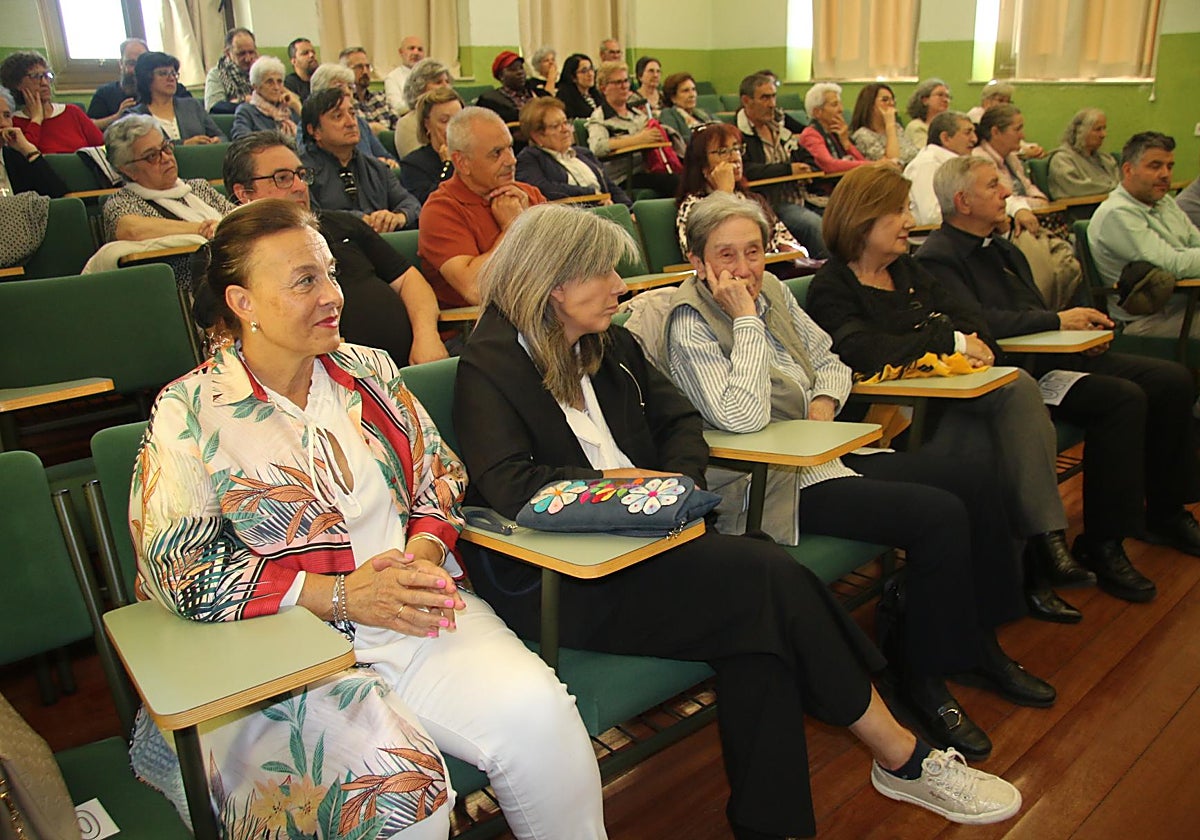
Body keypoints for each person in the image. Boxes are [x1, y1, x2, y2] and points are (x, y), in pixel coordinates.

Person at [452, 201, 1024, 839]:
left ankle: (774, 826)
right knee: (767, 578)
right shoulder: (492, 363)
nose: (621, 288)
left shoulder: (609, 343)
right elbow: (512, 488)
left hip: (659, 541)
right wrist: (629, 491)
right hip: (568, 576)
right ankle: (901, 755)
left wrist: (675, 487)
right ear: (550, 284)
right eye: (604, 275)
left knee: (758, 633)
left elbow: (679, 424)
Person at [131, 196, 606, 839]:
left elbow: (440, 479)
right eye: (306, 281)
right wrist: (341, 596)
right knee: (402, 798)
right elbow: (178, 570)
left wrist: (423, 557)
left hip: (413, 610)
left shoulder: (370, 370)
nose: (333, 294)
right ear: (242, 303)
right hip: (285, 653)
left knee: (543, 721)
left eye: (330, 272)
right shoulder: (190, 411)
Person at [651, 189, 1054, 758]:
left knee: (976, 482)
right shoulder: (689, 321)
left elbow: (832, 361)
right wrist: (743, 322)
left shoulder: (773, 295)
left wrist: (821, 404)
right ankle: (922, 677)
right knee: (937, 516)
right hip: (767, 484)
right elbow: (737, 417)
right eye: (725, 255)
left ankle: (975, 645)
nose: (743, 269)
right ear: (696, 262)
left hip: (824, 451)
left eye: (754, 252)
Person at [805, 165, 1100, 622]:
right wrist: (939, 336)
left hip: (946, 408)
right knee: (998, 443)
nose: (910, 221)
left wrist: (929, 338)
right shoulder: (833, 286)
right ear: (863, 220)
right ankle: (1035, 562)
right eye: (898, 212)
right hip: (892, 425)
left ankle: (1025, 569)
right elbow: (861, 351)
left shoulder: (908, 269)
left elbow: (977, 325)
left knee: (1013, 399)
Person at [917, 156, 1200, 574]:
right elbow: (979, 324)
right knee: (1121, 398)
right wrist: (1056, 323)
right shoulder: (937, 259)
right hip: (1023, 374)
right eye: (994, 185)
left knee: (1173, 380)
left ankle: (1165, 510)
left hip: (1054, 356)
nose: (1006, 193)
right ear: (962, 200)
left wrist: (1072, 334)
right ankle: (1104, 540)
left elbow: (1030, 309)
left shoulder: (1003, 248)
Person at [226, 131, 448, 366]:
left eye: (302, 175)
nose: (300, 186)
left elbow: (408, 280)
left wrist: (426, 336)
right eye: (282, 178)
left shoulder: (343, 223)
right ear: (244, 193)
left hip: (407, 365)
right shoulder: (232, 256)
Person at [418, 107, 545, 308]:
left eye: (510, 148)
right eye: (496, 153)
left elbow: (564, 261)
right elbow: (476, 290)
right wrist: (513, 228)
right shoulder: (440, 210)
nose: (511, 160)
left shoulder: (527, 193)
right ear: (462, 162)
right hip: (478, 329)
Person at [1089, 131, 1200, 339]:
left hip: (1186, 306)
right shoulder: (1117, 213)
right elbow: (1174, 264)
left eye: (1170, 166)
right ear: (1129, 170)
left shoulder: (1164, 202)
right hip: (1147, 320)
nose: (1165, 174)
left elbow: (1196, 243)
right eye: (1155, 166)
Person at [674, 123, 805, 258]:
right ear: (702, 165)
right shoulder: (693, 206)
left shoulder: (752, 199)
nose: (735, 158)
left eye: (736, 149)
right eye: (723, 151)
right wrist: (724, 194)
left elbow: (786, 240)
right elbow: (700, 255)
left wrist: (790, 250)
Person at [299, 89, 420, 232]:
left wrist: (398, 217)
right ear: (314, 131)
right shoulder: (300, 172)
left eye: (352, 114)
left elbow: (412, 204)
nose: (351, 123)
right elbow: (309, 216)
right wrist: (359, 219)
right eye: (338, 116)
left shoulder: (377, 167)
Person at [101, 114, 233, 243]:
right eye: (152, 156)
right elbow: (131, 230)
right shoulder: (121, 202)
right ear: (128, 170)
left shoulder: (198, 187)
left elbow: (239, 217)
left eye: (165, 147)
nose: (166, 158)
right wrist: (204, 229)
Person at [736, 72, 826, 258]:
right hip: (770, 203)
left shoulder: (781, 125)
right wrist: (788, 169)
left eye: (773, 96)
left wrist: (806, 168)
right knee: (815, 226)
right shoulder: (737, 133)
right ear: (746, 101)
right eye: (765, 98)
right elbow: (746, 170)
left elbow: (809, 159)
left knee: (844, 218)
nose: (772, 104)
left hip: (803, 196)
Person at [515, 97, 630, 207]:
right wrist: (592, 194)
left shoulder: (584, 154)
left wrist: (630, 210)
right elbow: (543, 189)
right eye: (556, 126)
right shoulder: (530, 159)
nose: (565, 129)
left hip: (608, 210)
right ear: (537, 136)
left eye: (565, 123)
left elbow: (611, 187)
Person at [586, 61, 679, 197]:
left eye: (626, 81)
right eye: (618, 82)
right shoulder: (600, 117)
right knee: (674, 182)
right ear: (604, 88)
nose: (624, 86)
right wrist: (637, 140)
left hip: (648, 169)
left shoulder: (637, 114)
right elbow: (597, 147)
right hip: (623, 176)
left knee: (688, 178)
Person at [0, 51, 104, 153]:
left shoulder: (72, 112)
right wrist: (36, 119)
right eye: (36, 76)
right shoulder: (13, 122)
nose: (44, 83)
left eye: (47, 76)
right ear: (17, 84)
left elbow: (103, 147)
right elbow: (25, 158)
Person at [90, 38, 193, 131]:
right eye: (131, 64)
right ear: (121, 64)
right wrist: (117, 117)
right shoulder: (105, 93)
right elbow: (87, 126)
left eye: (142, 64)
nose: (137, 70)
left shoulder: (173, 88)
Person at [307, 63, 398, 168]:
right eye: (339, 86)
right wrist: (372, 165)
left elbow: (386, 156)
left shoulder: (360, 122)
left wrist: (390, 163)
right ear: (320, 92)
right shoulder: (310, 126)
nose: (347, 92)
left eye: (350, 87)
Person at [131, 52, 224, 145]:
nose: (171, 78)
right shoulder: (135, 116)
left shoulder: (192, 105)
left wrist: (216, 141)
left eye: (173, 73)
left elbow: (222, 137)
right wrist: (184, 144)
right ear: (146, 78)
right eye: (163, 73)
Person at [904, 110, 977, 225]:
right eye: (967, 133)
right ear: (946, 138)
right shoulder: (927, 164)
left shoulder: (960, 164)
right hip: (930, 239)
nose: (974, 139)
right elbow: (931, 217)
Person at [973, 105, 1050, 214]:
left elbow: (1030, 189)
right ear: (995, 132)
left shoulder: (1011, 157)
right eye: (1017, 129)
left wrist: (1039, 201)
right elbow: (1003, 200)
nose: (1022, 136)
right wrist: (1037, 203)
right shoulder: (980, 161)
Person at [399, 87, 464, 204]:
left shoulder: (476, 154)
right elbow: (436, 203)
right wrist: (448, 165)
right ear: (427, 125)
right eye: (445, 121)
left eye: (459, 119)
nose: (454, 126)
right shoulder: (413, 165)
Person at [799, 82, 871, 179]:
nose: (841, 109)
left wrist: (846, 144)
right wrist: (872, 165)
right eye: (834, 105)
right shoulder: (811, 135)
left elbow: (861, 160)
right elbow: (829, 165)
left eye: (840, 104)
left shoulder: (837, 132)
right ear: (817, 112)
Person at [0, 94, 67, 197]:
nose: (3, 123)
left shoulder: (15, 157)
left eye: (7, 116)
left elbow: (59, 195)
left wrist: (28, 149)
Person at [1047, 108, 1120, 199]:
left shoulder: (1106, 159)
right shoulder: (1063, 160)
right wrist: (1113, 188)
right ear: (1081, 132)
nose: (1103, 135)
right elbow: (1076, 188)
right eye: (1098, 129)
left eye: (1104, 128)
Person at [968, 81, 1044, 159]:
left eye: (1008, 101)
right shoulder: (976, 116)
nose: (1005, 105)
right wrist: (1024, 152)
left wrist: (1032, 148)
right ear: (986, 101)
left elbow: (1017, 142)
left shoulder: (1005, 119)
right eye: (1000, 100)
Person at [231, 55, 301, 140]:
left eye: (279, 82)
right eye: (269, 82)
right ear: (256, 86)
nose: (276, 87)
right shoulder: (247, 111)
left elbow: (312, 138)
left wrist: (297, 106)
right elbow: (241, 140)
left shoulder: (290, 110)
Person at [851, 83, 919, 168]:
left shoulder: (897, 128)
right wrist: (890, 125)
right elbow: (893, 164)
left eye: (893, 100)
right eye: (885, 100)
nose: (891, 104)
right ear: (870, 105)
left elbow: (914, 153)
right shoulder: (862, 135)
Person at [394, 59, 453, 157]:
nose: (446, 87)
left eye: (447, 81)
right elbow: (417, 163)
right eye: (438, 82)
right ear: (419, 88)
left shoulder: (458, 116)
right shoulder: (408, 124)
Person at [476, 51, 549, 130]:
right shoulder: (490, 101)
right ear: (501, 76)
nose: (520, 72)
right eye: (513, 69)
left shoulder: (540, 94)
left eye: (521, 68)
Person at [341, 47, 397, 134]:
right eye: (359, 67)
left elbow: (398, 128)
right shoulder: (345, 102)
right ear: (345, 71)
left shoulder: (381, 98)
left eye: (367, 66)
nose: (365, 72)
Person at [204, 27, 258, 114]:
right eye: (241, 54)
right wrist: (244, 100)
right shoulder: (216, 74)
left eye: (251, 52)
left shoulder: (261, 70)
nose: (248, 58)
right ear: (228, 53)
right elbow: (213, 107)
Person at [658, 72, 714, 143]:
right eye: (686, 91)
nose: (692, 95)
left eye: (693, 89)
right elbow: (677, 141)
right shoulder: (668, 114)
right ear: (673, 97)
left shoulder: (704, 113)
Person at [384, 35, 427, 114]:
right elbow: (396, 107)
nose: (416, 52)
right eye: (411, 48)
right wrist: (422, 102)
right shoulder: (392, 77)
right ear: (401, 52)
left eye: (420, 49)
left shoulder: (431, 75)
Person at [904, 78, 951, 148]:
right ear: (925, 100)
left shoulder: (949, 127)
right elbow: (926, 152)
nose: (945, 100)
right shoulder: (917, 127)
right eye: (940, 95)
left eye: (947, 96)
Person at [555, 54, 601, 120]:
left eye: (591, 69)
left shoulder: (598, 95)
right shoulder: (565, 98)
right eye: (584, 71)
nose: (590, 74)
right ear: (573, 77)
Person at [284, 37, 319, 103]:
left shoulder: (322, 81)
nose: (312, 55)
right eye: (305, 53)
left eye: (313, 52)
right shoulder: (289, 85)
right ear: (294, 61)